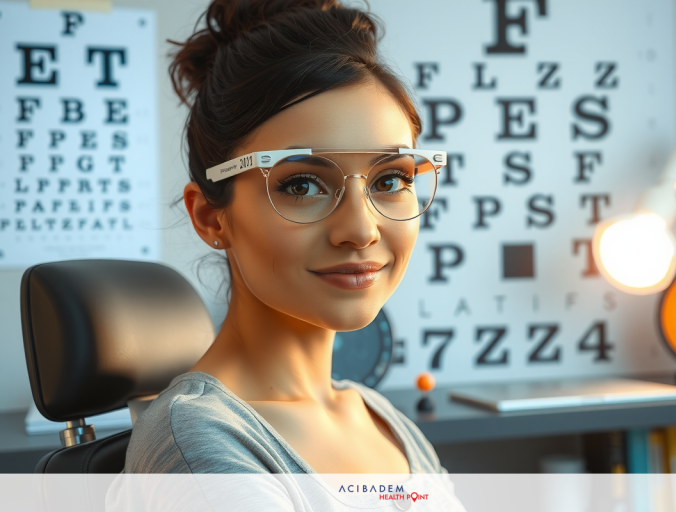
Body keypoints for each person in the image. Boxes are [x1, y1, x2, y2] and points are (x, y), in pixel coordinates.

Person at [122, 0, 451, 481]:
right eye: (301, 186)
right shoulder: (200, 445)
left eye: (389, 180)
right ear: (211, 218)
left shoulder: (381, 419)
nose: (361, 230)